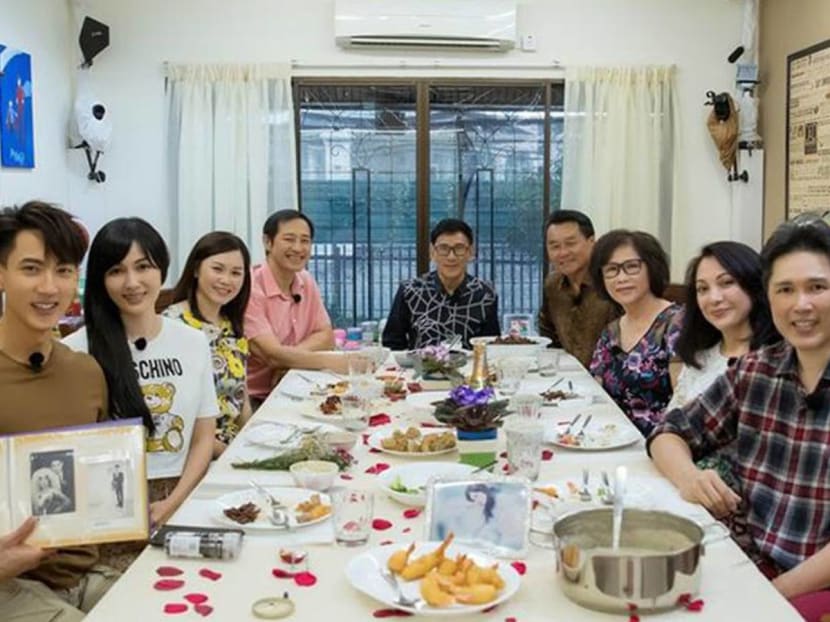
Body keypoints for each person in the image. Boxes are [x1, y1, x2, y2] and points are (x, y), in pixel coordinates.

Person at [648, 217, 830, 614]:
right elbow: (669, 431)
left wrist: (767, 592)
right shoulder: (755, 371)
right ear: (769, 296)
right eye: (785, 289)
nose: (801, 304)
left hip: (811, 584)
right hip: (746, 555)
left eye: (817, 287)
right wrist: (690, 478)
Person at [64, 217, 217, 570]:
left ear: (162, 268)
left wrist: (173, 502)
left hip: (183, 495)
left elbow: (203, 436)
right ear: (101, 280)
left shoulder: (193, 341)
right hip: (107, 509)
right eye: (116, 271)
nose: (132, 282)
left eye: (143, 266)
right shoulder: (75, 351)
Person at [0, 201, 117, 620]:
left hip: (85, 572)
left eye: (64, 270)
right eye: (31, 269)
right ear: (1, 273)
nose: (50, 287)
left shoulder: (86, 371)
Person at [244, 210, 347, 407]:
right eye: (289, 239)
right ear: (267, 242)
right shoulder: (249, 286)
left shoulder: (305, 280)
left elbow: (326, 336)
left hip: (299, 388)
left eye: (305, 241)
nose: (298, 248)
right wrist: (335, 362)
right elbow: (271, 355)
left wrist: (288, 362)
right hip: (255, 400)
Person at [588, 229, 683, 436]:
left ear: (652, 268)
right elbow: (596, 390)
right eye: (611, 269)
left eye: (631, 267)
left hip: (662, 444)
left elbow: (684, 404)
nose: (621, 278)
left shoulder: (677, 324)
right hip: (610, 439)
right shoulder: (611, 332)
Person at [165, 231, 252, 456]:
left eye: (236, 273)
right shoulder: (172, 325)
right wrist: (229, 456)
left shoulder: (231, 325)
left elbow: (241, 398)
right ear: (196, 269)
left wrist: (252, 443)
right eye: (217, 269)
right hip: (196, 450)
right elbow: (174, 412)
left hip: (233, 446)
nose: (226, 280)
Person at [382, 218, 499, 350]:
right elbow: (392, 343)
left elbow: (491, 347)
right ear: (432, 252)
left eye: (459, 248)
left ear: (470, 252)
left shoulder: (486, 294)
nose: (451, 257)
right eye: (443, 248)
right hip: (421, 363)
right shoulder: (410, 290)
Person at [537, 210, 619, 367]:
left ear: (592, 242)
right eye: (555, 246)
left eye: (570, 244)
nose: (563, 253)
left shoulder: (612, 281)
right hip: (569, 375)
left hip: (610, 376)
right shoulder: (552, 285)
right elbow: (548, 337)